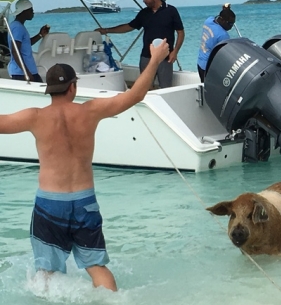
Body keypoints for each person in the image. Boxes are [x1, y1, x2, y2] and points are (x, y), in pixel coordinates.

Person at [0, 40, 171, 291]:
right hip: (84, 202)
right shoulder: (90, 111)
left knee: (46, 273)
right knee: (97, 268)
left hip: (50, 204)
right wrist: (155, 59)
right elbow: (136, 95)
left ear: (50, 90)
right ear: (73, 87)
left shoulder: (35, 117)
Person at [96, 0, 184, 88]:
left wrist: (175, 51)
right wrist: (106, 30)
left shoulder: (171, 11)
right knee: (144, 86)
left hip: (165, 57)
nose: (144, 1)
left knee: (165, 87)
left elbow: (180, 32)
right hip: (146, 56)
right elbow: (129, 27)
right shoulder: (144, 13)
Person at [7, 0, 50, 82]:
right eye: (31, 10)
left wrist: (40, 35)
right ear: (24, 11)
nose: (33, 13)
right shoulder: (17, 27)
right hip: (22, 73)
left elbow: (25, 44)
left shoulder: (18, 26)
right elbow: (15, 51)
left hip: (27, 71)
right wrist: (26, 72)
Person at [197, 4, 235, 82]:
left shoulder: (208, 20)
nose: (231, 27)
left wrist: (225, 11)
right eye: (230, 23)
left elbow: (217, 17)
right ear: (223, 20)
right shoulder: (223, 35)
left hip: (200, 63)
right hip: (209, 68)